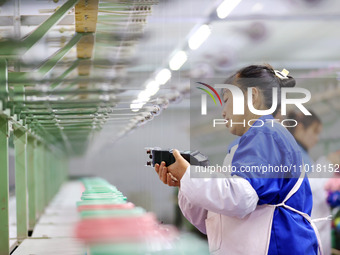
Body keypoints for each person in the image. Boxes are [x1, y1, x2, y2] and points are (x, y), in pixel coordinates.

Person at [154, 64, 321, 255]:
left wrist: (190, 176)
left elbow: (241, 198)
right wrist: (185, 181)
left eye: (227, 100)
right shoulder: (249, 143)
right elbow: (215, 220)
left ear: (252, 96)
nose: (223, 112)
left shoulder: (266, 134)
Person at [286, 110, 340, 255]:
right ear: (299, 127)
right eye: (314, 131)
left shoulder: (303, 155)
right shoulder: (292, 154)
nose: (316, 139)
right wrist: (327, 162)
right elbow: (304, 189)